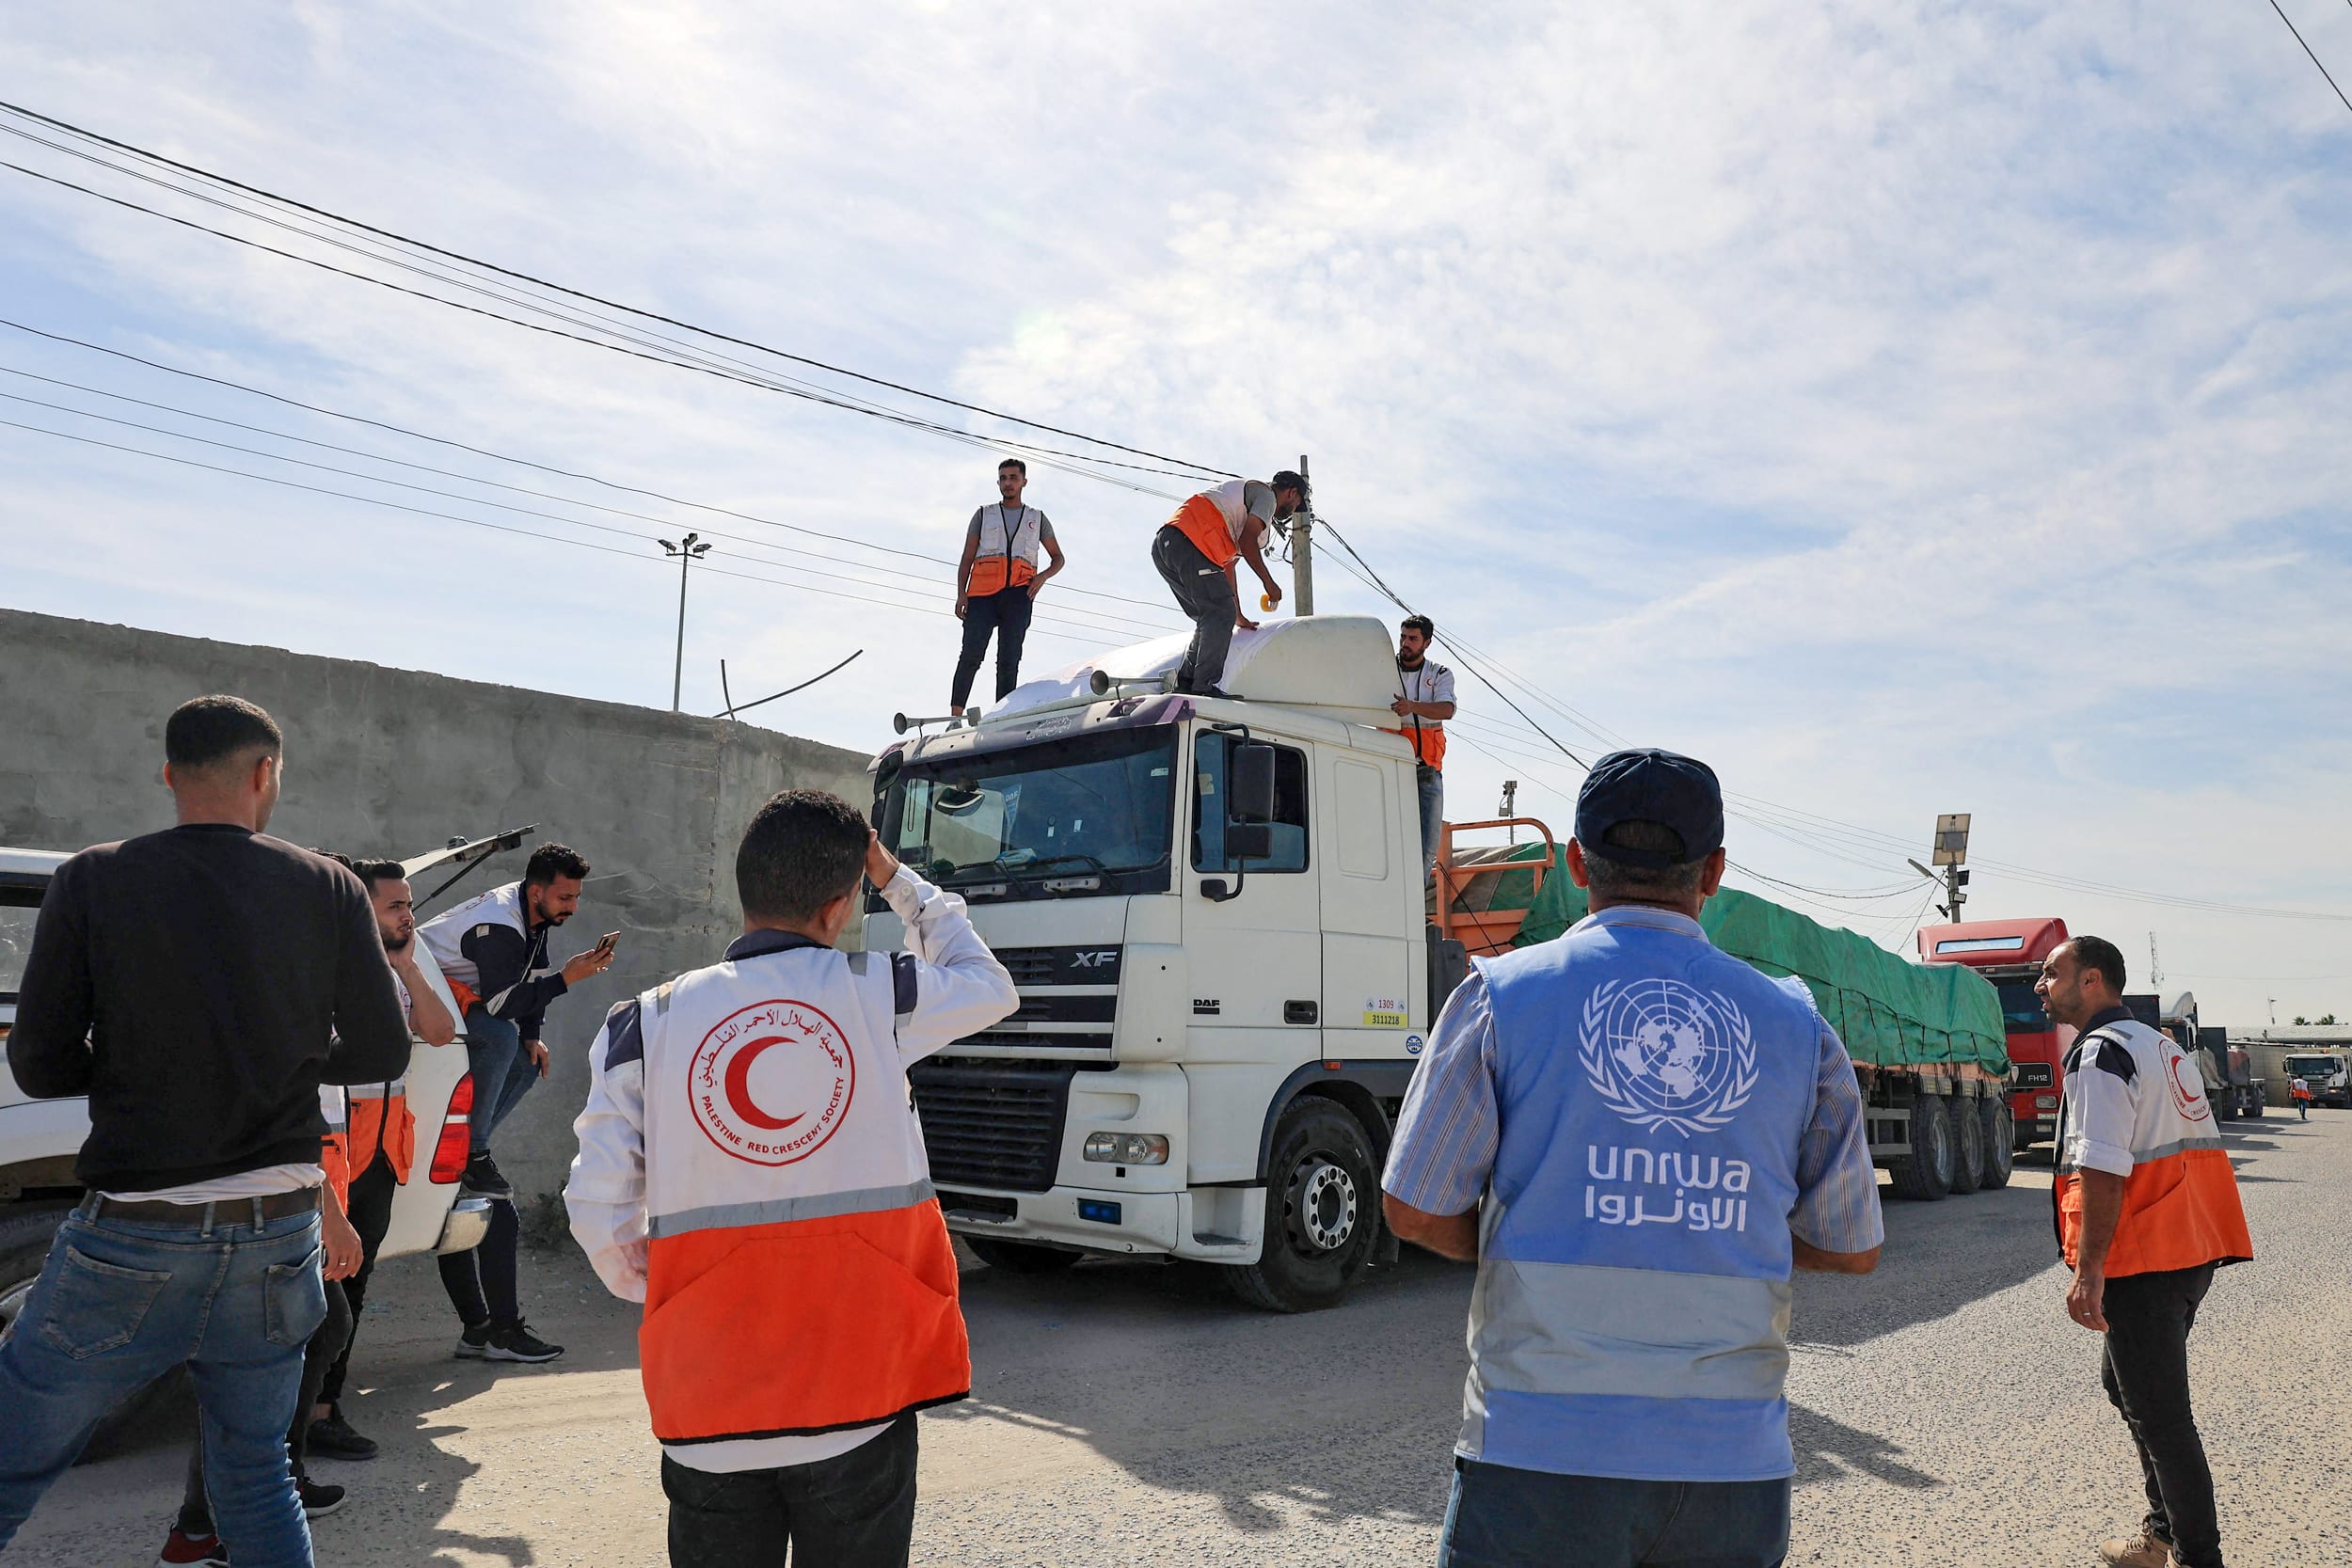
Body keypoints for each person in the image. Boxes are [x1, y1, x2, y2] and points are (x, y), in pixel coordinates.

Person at [1381, 748, 1883, 1568]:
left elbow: (1414, 1207)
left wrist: (1550, 1225)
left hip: (1541, 1454)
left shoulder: (1498, 996)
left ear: (1576, 861)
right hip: (1732, 1468)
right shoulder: (1797, 1026)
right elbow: (1853, 1244)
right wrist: (1707, 1230)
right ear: (1713, 870)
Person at [0, 695, 410, 1567]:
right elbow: (381, 1045)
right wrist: (285, 1065)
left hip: (135, 1231)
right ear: (265, 773)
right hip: (278, 1235)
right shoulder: (327, 885)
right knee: (257, 1472)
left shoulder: (94, 876)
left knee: (11, 1458)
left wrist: (137, 1071)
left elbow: (38, 1062)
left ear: (167, 775)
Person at [564, 790, 1018, 1567]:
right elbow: (988, 984)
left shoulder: (643, 1022)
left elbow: (597, 1210)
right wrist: (898, 879)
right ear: (840, 906)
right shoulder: (880, 993)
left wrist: (688, 1292)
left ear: (746, 891)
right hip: (858, 1398)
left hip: (706, 1404)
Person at [2038, 935, 2251, 1568]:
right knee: (2126, 1386)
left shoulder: (2100, 1055)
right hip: (2190, 1245)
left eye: (2052, 974)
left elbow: (2101, 1169)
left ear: (2092, 980)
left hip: (2144, 1255)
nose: (2040, 987)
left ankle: (2192, 1555)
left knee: (2163, 1419)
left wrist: (2089, 1272)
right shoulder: (2160, 1045)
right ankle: (2161, 1532)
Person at [418, 843, 615, 1364]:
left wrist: (535, 1032)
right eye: (565, 896)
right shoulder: (501, 926)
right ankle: (474, 1150)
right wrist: (568, 980)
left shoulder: (532, 920)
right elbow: (503, 1003)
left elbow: (527, 987)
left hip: (453, 1021)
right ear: (536, 892)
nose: (573, 907)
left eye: (576, 896)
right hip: (416, 1012)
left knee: (525, 1055)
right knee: (502, 1037)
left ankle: (481, 1329)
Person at [309, 859, 461, 1460]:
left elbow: (442, 1032)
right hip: (331, 1148)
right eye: (395, 905)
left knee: (357, 1279)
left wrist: (406, 966)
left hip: (379, 1152)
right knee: (320, 1287)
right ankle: (296, 1418)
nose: (409, 914)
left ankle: (324, 1408)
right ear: (358, 908)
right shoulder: (324, 968)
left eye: (408, 903)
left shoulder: (398, 970)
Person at [1150, 471, 1301, 697]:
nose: (1293, 511)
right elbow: (1247, 541)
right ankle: (1204, 686)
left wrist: (1236, 615)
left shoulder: (1239, 501)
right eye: (1297, 505)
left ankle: (1187, 683)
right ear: (1292, 493)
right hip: (1190, 543)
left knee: (1211, 617)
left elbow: (1227, 568)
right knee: (1218, 614)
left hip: (1167, 546)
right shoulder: (1266, 496)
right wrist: (1269, 583)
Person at [950, 457, 1066, 716]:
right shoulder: (983, 514)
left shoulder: (1037, 519)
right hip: (981, 595)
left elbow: (1059, 558)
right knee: (970, 655)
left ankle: (1000, 716)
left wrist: (1042, 577)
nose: (1008, 483)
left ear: (1024, 482)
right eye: (1003, 478)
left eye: (1013, 478)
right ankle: (955, 716)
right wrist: (961, 593)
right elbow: (967, 557)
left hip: (1018, 595)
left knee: (1009, 659)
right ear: (998, 482)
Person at [1386, 615, 1457, 878]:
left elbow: (1447, 710)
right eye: (1403, 636)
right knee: (1388, 842)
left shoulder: (1439, 674)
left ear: (1426, 642)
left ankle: (1416, 909)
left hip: (1427, 770)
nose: (1405, 643)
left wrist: (1412, 706)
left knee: (1427, 847)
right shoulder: (1383, 669)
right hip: (1388, 768)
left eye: (1413, 639)